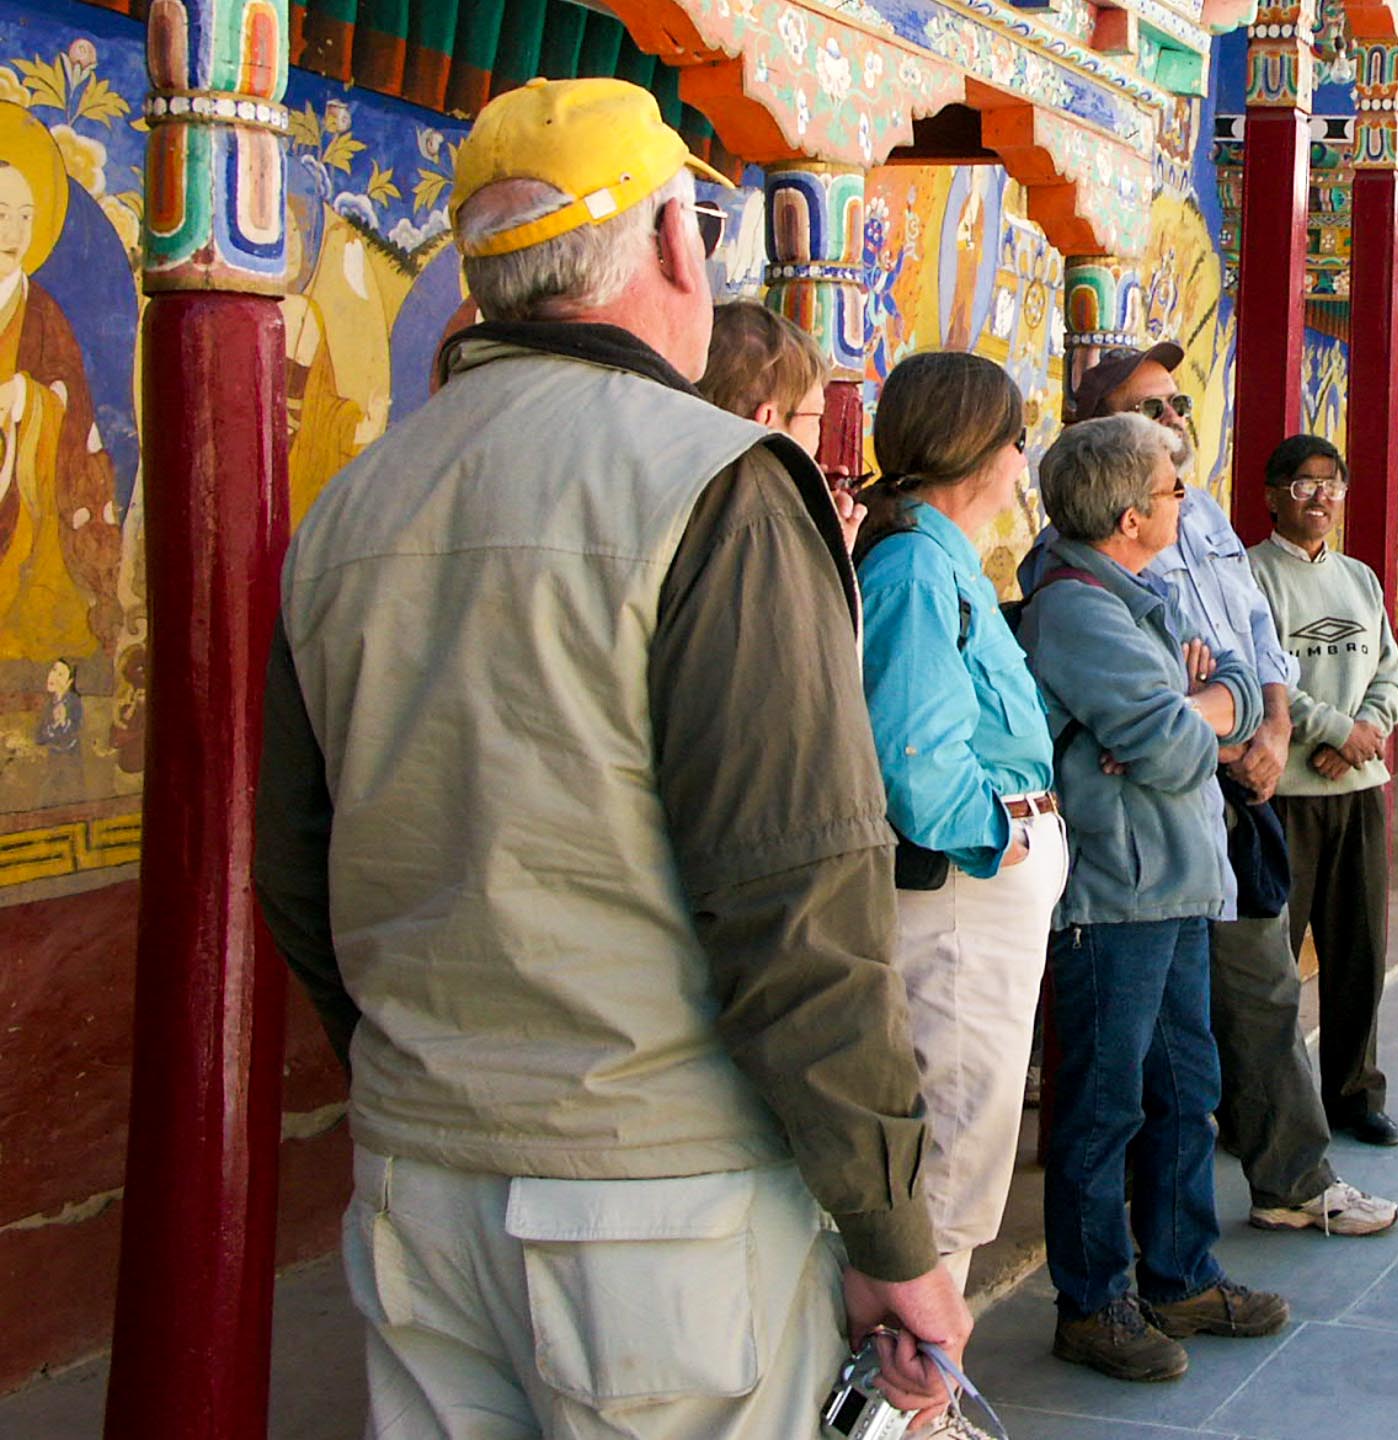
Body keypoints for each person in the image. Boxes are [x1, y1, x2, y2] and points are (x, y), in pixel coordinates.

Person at [252, 78, 968, 1435]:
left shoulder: (350, 504)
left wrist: (430, 1076)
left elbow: (295, 869)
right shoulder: (714, 480)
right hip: (657, 1212)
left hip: (420, 1187)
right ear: (675, 247)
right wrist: (894, 1232)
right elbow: (798, 902)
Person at [1024, 342, 1398, 1239]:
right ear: (1100, 437)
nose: (1175, 424)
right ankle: (1264, 1188)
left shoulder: (1196, 519)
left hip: (1235, 782)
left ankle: (1263, 1191)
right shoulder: (1086, 553)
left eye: (1178, 405)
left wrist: (1269, 724)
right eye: (1150, 410)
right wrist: (1221, 728)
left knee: (1234, 1006)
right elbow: (1157, 713)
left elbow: (1244, 645)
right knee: (1207, 1010)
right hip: (1167, 810)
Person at [1015, 414, 1292, 1383]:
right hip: (1113, 895)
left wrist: (1200, 710)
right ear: (1132, 514)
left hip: (1174, 881)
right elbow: (1178, 743)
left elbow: (1230, 698)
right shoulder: (1076, 609)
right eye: (1174, 490)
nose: (1187, 503)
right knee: (1103, 1107)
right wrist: (1193, 717)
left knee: (1186, 1093)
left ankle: (1178, 1273)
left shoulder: (1135, 593)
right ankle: (1092, 1302)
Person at [847, 351, 1065, 1300]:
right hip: (965, 892)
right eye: (1018, 441)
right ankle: (914, 1388)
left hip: (988, 887)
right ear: (980, 451)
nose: (1024, 463)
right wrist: (999, 832)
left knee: (968, 1134)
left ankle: (921, 1383)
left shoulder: (940, 559)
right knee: (956, 1135)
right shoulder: (912, 568)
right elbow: (915, 759)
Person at [1245, 435, 1398, 1178]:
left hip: (1358, 793)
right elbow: (1266, 672)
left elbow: (1388, 670)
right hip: (1289, 797)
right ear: (1273, 495)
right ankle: (1258, 1104)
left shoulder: (1360, 578)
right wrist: (1339, 732)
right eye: (1304, 485)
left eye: (1332, 485)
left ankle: (1354, 1092)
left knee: (1360, 950)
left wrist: (1366, 736)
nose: (1321, 498)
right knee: (1271, 962)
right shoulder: (1252, 574)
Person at [697, 301, 863, 545]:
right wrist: (828, 549)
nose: (819, 433)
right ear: (766, 420)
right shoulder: (765, 521)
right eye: (816, 416)